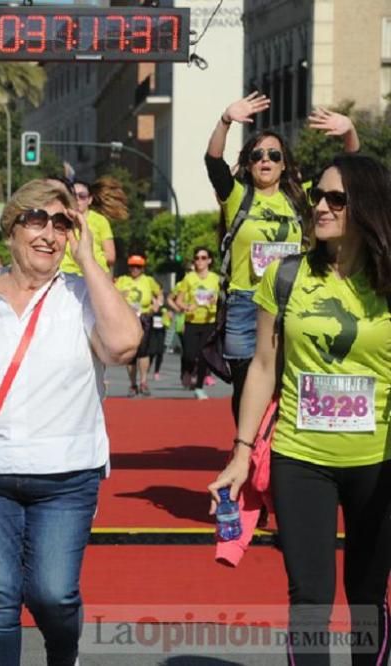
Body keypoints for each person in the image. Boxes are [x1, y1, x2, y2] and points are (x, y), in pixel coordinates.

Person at [0, 178, 141, 666]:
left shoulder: (81, 295)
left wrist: (91, 263)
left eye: (62, 223)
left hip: (67, 476)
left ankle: (64, 652)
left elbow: (122, 346)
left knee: (53, 594)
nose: (49, 233)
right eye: (36, 220)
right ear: (11, 231)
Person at [209, 154, 391, 666]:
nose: (321, 206)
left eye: (337, 198)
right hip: (299, 455)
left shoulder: (388, 279)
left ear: (367, 206)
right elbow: (264, 367)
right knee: (310, 597)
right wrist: (241, 452)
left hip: (378, 461)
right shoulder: (285, 276)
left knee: (367, 598)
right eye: (318, 195)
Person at [206, 94, 359, 422]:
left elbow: (349, 175)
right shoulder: (237, 196)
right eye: (257, 155)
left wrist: (349, 133)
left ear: (284, 163)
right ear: (248, 163)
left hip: (291, 299)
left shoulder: (300, 197)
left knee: (287, 381)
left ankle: (278, 449)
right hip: (246, 304)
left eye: (274, 155)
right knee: (247, 384)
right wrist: (225, 120)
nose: (266, 160)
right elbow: (213, 161)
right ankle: (244, 446)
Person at [171, 247, 222, 399]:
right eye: (197, 258)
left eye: (203, 258)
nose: (200, 261)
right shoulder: (189, 278)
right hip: (192, 321)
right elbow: (178, 300)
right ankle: (187, 370)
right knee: (189, 355)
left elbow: (222, 298)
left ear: (209, 260)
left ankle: (199, 386)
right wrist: (187, 307)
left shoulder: (215, 279)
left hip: (209, 321)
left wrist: (216, 300)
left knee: (204, 355)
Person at [57, 176, 126, 276]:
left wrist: (89, 258)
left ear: (90, 199)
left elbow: (111, 256)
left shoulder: (100, 220)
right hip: (67, 277)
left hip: (95, 275)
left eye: (82, 196)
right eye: (73, 195)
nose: (77, 199)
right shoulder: (61, 218)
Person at [115, 255, 163, 396]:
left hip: (144, 318)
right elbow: (111, 294)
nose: (135, 269)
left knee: (143, 351)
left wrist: (157, 304)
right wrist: (120, 295)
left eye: (138, 267)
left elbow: (159, 294)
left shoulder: (148, 281)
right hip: (127, 318)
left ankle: (143, 382)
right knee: (130, 353)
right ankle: (132, 384)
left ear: (143, 268)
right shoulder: (123, 280)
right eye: (132, 266)